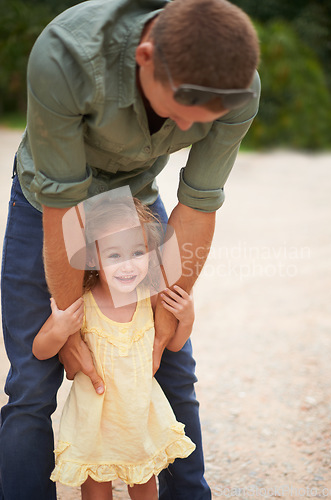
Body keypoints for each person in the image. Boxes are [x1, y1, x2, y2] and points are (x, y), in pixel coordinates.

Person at [0, 0, 260, 498]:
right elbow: (65, 209)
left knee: (172, 368)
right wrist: (67, 322)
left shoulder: (237, 86)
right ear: (144, 57)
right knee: (33, 385)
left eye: (201, 121)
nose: (185, 131)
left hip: (134, 204)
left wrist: (166, 316)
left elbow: (199, 204)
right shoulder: (65, 57)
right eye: (180, 112)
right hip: (50, 202)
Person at [32, 193, 196, 500]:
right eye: (114, 256)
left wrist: (186, 319)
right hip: (94, 423)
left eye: (137, 252)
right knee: (96, 490)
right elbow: (41, 349)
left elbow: (173, 345)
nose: (128, 266)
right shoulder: (82, 304)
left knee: (145, 486)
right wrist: (61, 328)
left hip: (139, 417)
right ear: (93, 259)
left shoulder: (150, 299)